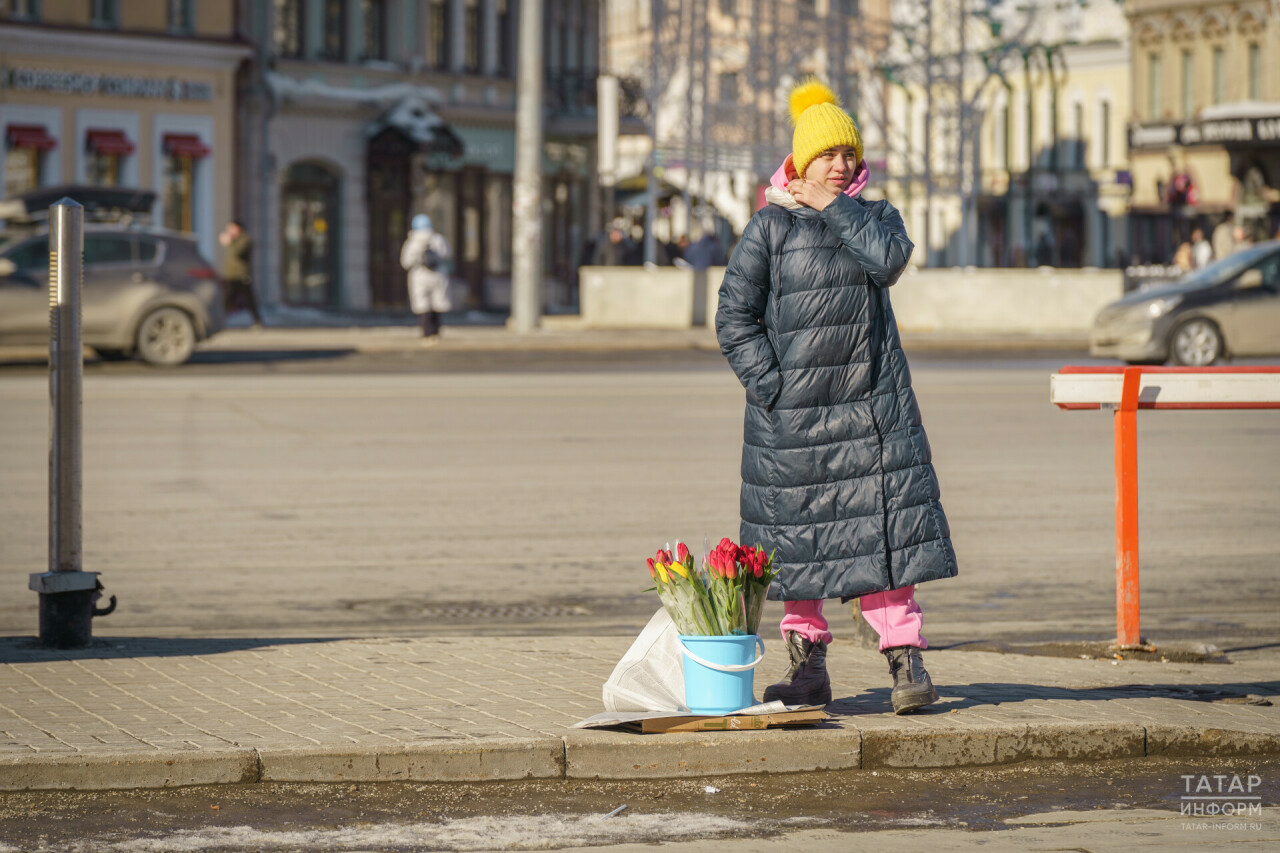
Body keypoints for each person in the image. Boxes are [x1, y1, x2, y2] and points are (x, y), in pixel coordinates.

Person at [716, 79, 957, 715]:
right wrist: (771, 385)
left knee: (885, 541)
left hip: (872, 412)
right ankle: (807, 671)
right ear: (800, 160)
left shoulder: (875, 218)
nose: (841, 164)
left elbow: (886, 262)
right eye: (828, 154)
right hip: (793, 418)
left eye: (848, 153)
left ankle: (906, 664)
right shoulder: (768, 227)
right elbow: (734, 317)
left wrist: (833, 205)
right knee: (800, 547)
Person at [400, 214, 451, 344]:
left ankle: (426, 334)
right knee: (437, 304)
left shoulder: (412, 242)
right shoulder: (438, 239)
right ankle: (436, 333)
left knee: (422, 306)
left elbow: (405, 262)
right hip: (437, 275)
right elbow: (447, 254)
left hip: (419, 276)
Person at [218, 220, 263, 328]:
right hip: (231, 276)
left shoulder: (245, 239)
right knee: (227, 300)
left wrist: (230, 242)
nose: (229, 231)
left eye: (231, 228)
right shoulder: (235, 240)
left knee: (248, 300)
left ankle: (257, 321)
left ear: (238, 228)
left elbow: (238, 252)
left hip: (241, 276)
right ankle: (219, 321)